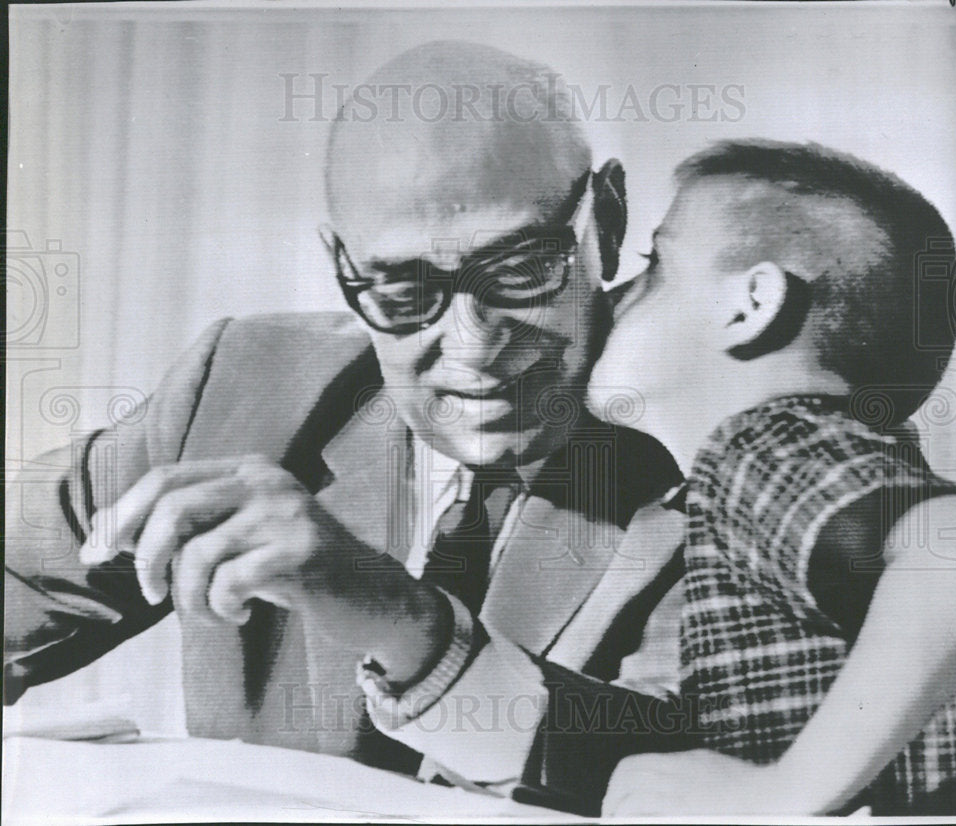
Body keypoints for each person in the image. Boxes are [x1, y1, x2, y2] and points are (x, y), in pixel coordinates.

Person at [4, 41, 690, 812]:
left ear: (610, 215)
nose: (474, 346)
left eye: (522, 268)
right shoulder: (247, 381)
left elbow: (719, 789)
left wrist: (405, 625)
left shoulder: (716, 448)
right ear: (340, 263)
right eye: (403, 292)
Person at [589, 140, 956, 815]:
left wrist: (783, 791)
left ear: (750, 307)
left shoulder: (763, 443)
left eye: (654, 265)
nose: (614, 295)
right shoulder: (798, 465)